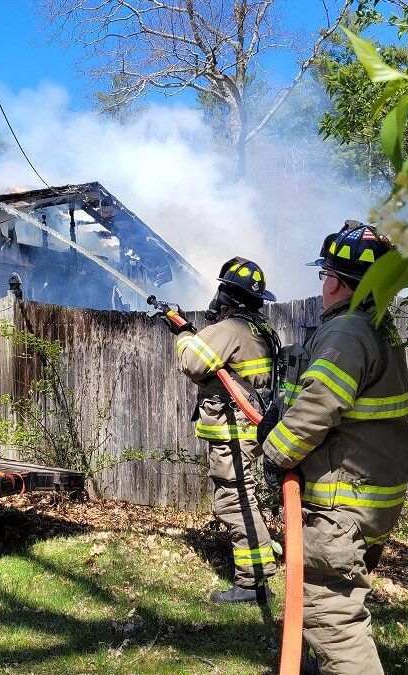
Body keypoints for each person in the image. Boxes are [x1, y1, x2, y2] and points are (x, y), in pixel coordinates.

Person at [261, 221, 408, 674]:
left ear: (336, 282)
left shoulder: (346, 333)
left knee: (332, 613)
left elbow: (319, 404)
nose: (323, 284)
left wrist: (274, 453)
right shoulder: (377, 329)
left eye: (326, 274)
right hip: (368, 500)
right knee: (323, 597)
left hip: (339, 505)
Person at [169, 257, 281, 604]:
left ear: (228, 295)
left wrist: (183, 332)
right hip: (252, 429)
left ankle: (252, 583)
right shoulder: (262, 329)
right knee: (245, 495)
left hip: (235, 432)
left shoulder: (230, 329)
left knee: (234, 500)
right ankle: (260, 570)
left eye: (220, 290)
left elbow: (191, 363)